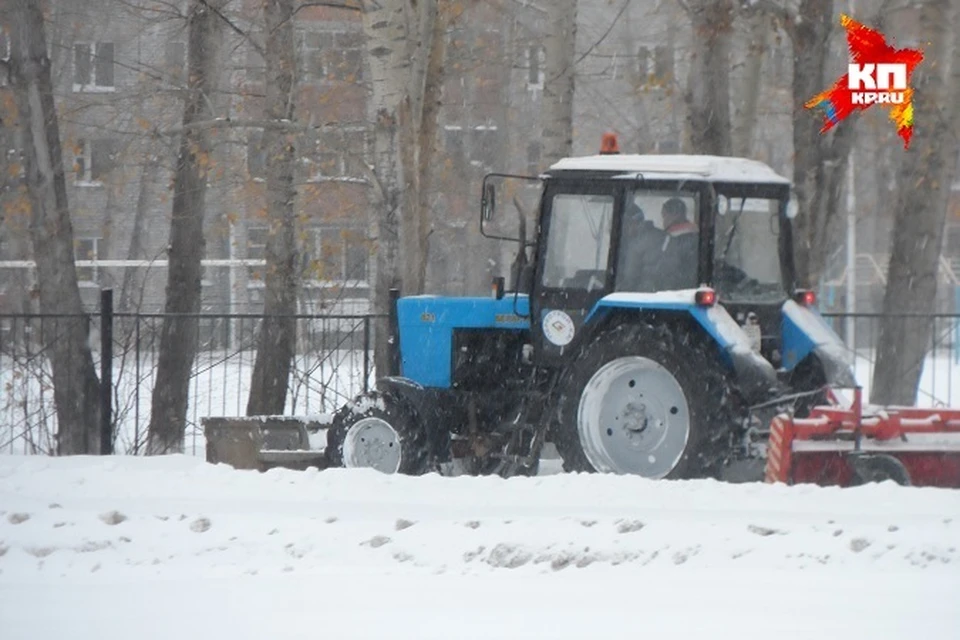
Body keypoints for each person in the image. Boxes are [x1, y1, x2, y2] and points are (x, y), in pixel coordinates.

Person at [616, 199, 667, 291]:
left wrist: (619, 288)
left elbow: (630, 276)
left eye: (625, 224)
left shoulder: (638, 243)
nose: (623, 230)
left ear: (632, 223)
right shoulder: (659, 235)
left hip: (643, 293)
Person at [659, 197, 699, 290]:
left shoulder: (673, 239)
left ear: (675, 215)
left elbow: (666, 269)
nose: (663, 221)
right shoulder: (695, 236)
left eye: (664, 216)